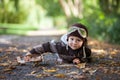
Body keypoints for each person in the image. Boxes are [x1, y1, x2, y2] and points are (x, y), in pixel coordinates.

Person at [23, 23, 91, 64]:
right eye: (72, 39)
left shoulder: (85, 51)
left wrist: (80, 60)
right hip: (60, 56)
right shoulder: (60, 47)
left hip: (67, 59)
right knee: (49, 55)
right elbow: (45, 46)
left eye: (78, 40)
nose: (74, 42)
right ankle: (36, 57)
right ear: (68, 39)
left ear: (83, 42)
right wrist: (31, 53)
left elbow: (88, 58)